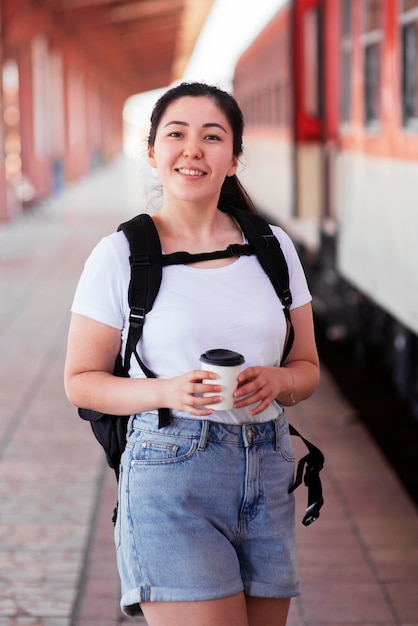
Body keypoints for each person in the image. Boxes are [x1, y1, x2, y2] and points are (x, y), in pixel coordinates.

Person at [64, 82, 320, 626]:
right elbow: (81, 381)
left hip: (268, 465)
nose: (193, 149)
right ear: (153, 152)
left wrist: (279, 382)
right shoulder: (121, 256)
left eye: (212, 136)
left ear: (233, 159)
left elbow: (309, 370)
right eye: (176, 135)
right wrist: (166, 390)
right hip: (170, 472)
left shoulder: (274, 248)